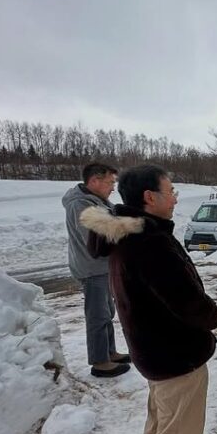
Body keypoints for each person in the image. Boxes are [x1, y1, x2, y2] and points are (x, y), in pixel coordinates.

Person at [80, 165, 217, 434]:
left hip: (152, 347)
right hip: (175, 350)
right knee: (179, 426)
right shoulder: (150, 242)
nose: (175, 198)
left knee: (161, 417)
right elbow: (184, 300)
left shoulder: (128, 236)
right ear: (149, 197)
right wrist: (211, 317)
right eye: (170, 191)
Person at [62, 162, 130, 378]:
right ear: (94, 181)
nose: (113, 187)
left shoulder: (96, 201)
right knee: (97, 315)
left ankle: (109, 352)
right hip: (93, 269)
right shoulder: (82, 205)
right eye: (110, 182)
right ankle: (100, 362)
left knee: (107, 312)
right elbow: (96, 239)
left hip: (101, 267)